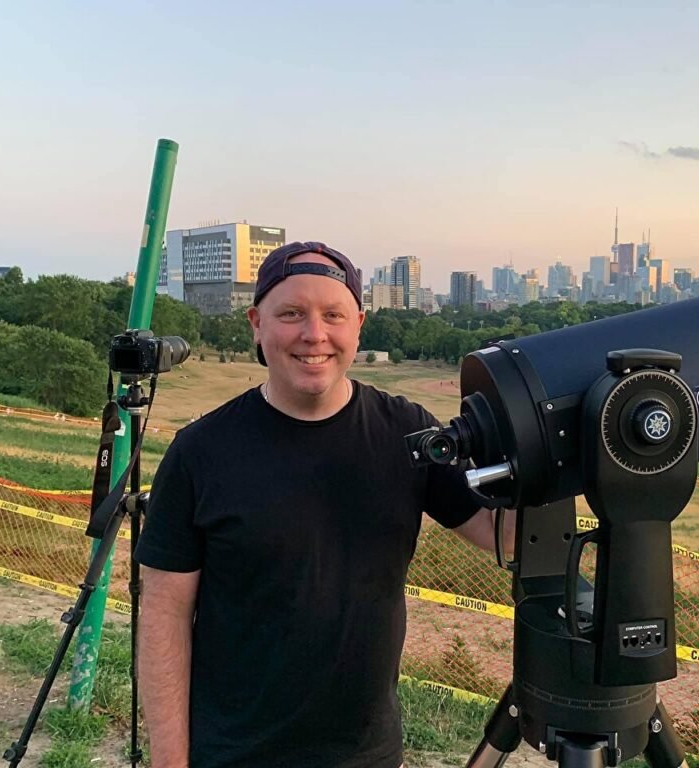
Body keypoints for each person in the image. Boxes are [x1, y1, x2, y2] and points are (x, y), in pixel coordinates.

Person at [134, 242, 508, 768]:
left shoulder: (408, 432)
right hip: (233, 754)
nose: (314, 335)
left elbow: (506, 537)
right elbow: (165, 616)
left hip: (367, 755)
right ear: (256, 324)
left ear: (357, 324)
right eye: (291, 314)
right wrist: (170, 762)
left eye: (333, 315)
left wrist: (547, 446)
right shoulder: (200, 452)